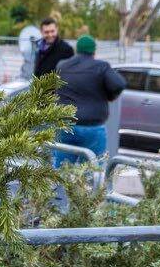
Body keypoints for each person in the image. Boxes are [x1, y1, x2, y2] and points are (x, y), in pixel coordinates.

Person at [53, 34, 126, 167]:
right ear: (93, 51)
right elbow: (119, 84)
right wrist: (110, 96)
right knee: (92, 171)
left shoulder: (62, 66)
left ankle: (61, 181)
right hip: (92, 128)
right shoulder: (101, 66)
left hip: (66, 126)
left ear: (77, 50)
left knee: (61, 169)